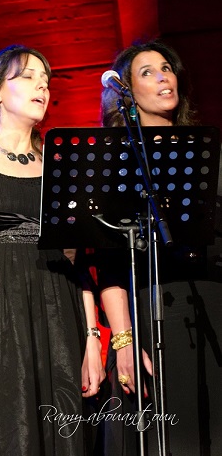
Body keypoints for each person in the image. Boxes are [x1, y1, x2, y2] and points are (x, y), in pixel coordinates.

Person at [0, 44, 103, 455]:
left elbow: (79, 264)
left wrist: (92, 339)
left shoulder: (60, 168)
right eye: (28, 77)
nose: (41, 87)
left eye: (46, 81)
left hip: (57, 314)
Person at [94, 39, 222, 455]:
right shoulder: (115, 163)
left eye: (166, 68)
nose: (163, 77)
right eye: (147, 72)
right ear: (127, 92)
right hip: (154, 310)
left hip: (213, 304)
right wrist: (124, 341)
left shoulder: (208, 151)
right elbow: (109, 267)